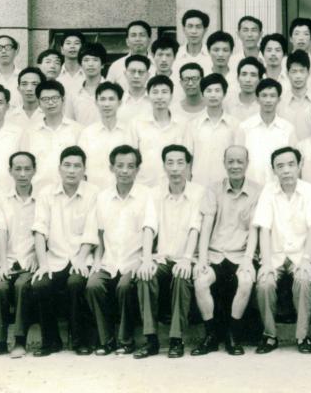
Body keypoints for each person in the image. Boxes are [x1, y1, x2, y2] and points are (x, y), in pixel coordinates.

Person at [84, 144, 157, 357]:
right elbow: (98, 232)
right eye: (120, 166)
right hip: (109, 261)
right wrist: (97, 259)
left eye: (130, 166)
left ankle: (126, 341)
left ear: (137, 169)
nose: (125, 171)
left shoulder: (146, 195)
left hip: (134, 260)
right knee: (93, 285)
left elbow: (149, 228)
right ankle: (106, 340)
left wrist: (145, 260)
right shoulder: (103, 197)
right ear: (112, 168)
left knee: (125, 286)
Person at [253, 146, 311, 354]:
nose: (286, 170)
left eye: (291, 164)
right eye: (280, 166)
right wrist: (266, 263)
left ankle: (303, 336)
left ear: (300, 165)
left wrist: (306, 259)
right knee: (264, 282)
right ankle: (269, 335)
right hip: (275, 254)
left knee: (303, 279)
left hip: (301, 253)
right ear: (274, 170)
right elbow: (264, 229)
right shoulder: (268, 192)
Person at [29, 145, 99, 356]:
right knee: (40, 284)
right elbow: (40, 230)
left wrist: (81, 259)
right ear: (59, 168)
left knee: (76, 283)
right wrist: (43, 264)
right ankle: (51, 341)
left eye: (77, 166)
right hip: (55, 258)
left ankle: (80, 341)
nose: (71, 170)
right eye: (67, 165)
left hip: (82, 257)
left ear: (84, 169)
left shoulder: (93, 193)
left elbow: (91, 231)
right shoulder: (46, 194)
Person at [192, 145, 260, 356]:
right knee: (200, 281)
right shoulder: (213, 190)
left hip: (241, 254)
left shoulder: (257, 191)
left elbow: (255, 229)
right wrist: (202, 259)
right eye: (230, 161)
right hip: (215, 253)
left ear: (247, 164)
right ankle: (211, 335)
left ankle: (233, 334)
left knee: (246, 281)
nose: (235, 166)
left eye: (240, 161)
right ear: (224, 163)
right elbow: (206, 226)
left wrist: (248, 259)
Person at [139, 144, 206, 358]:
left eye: (180, 163)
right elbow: (149, 227)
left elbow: (195, 228)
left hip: (187, 257)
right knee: (145, 275)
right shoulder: (155, 193)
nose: (175, 168)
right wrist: (146, 259)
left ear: (188, 166)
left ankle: (177, 339)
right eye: (170, 163)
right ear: (164, 166)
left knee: (181, 276)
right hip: (162, 257)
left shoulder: (198, 192)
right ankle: (151, 339)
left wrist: (186, 259)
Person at [0, 151, 38, 358]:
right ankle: (0, 342)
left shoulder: (42, 199)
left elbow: (45, 232)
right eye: (18, 169)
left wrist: (38, 256)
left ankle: (19, 341)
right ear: (10, 171)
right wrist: (2, 265)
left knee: (21, 287)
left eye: (27, 169)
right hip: (7, 259)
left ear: (34, 171)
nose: (23, 174)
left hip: (31, 260)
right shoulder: (1, 200)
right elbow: (1, 233)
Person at [130, 74, 190, 188]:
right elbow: (131, 158)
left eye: (164, 92)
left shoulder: (183, 123)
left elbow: (188, 160)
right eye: (155, 92)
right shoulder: (137, 123)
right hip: (144, 185)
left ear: (171, 96)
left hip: (174, 186)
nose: (160, 97)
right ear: (148, 95)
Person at [21, 80, 79, 196]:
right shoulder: (29, 132)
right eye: (45, 99)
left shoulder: (78, 130)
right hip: (38, 193)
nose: (50, 103)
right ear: (39, 103)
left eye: (55, 98)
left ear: (63, 100)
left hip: (70, 194)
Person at [76, 82, 136, 194]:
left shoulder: (129, 132)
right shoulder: (87, 133)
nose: (106, 104)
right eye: (102, 99)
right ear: (96, 102)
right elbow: (80, 165)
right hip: (93, 193)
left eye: (111, 99)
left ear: (119, 102)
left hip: (123, 193)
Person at [241, 78, 296, 188]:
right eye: (264, 96)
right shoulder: (245, 127)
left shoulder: (288, 129)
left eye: (272, 96)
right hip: (251, 188)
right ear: (257, 99)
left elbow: (293, 163)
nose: (268, 100)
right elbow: (239, 160)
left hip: (279, 188)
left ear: (279, 99)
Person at [185, 73, 238, 188]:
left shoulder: (235, 125)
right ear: (202, 94)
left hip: (226, 186)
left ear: (224, 94)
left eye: (217, 90)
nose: (213, 95)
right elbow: (188, 160)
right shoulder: (193, 125)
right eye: (208, 91)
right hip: (198, 185)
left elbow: (239, 158)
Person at [279, 50, 311, 142]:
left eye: (302, 71)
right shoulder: (280, 103)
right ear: (287, 74)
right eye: (294, 71)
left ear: (308, 73)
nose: (298, 76)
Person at [106, 21, 154, 89]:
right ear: (127, 41)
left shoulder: (157, 65)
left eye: (142, 35)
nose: (138, 39)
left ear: (149, 40)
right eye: (133, 35)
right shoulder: (116, 66)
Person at [116, 54, 153, 128]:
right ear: (125, 73)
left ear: (148, 75)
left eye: (141, 72)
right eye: (132, 71)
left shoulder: (154, 99)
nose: (136, 76)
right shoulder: (118, 100)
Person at [226, 57, 264, 126]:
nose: (248, 80)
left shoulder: (265, 105)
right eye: (244, 74)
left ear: (260, 80)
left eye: (253, 75)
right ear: (237, 78)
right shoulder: (227, 104)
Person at [8, 66, 46, 131]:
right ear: (18, 88)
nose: (29, 89)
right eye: (24, 84)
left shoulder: (50, 115)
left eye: (34, 84)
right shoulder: (10, 117)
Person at [177, 9, 214, 74]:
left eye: (198, 27)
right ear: (183, 29)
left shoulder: (212, 55)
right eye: (190, 26)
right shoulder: (176, 54)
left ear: (205, 30)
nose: (194, 31)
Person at [57, 31, 87, 97]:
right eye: (68, 43)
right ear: (62, 49)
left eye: (76, 43)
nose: (72, 46)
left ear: (83, 49)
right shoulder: (56, 74)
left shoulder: (89, 74)